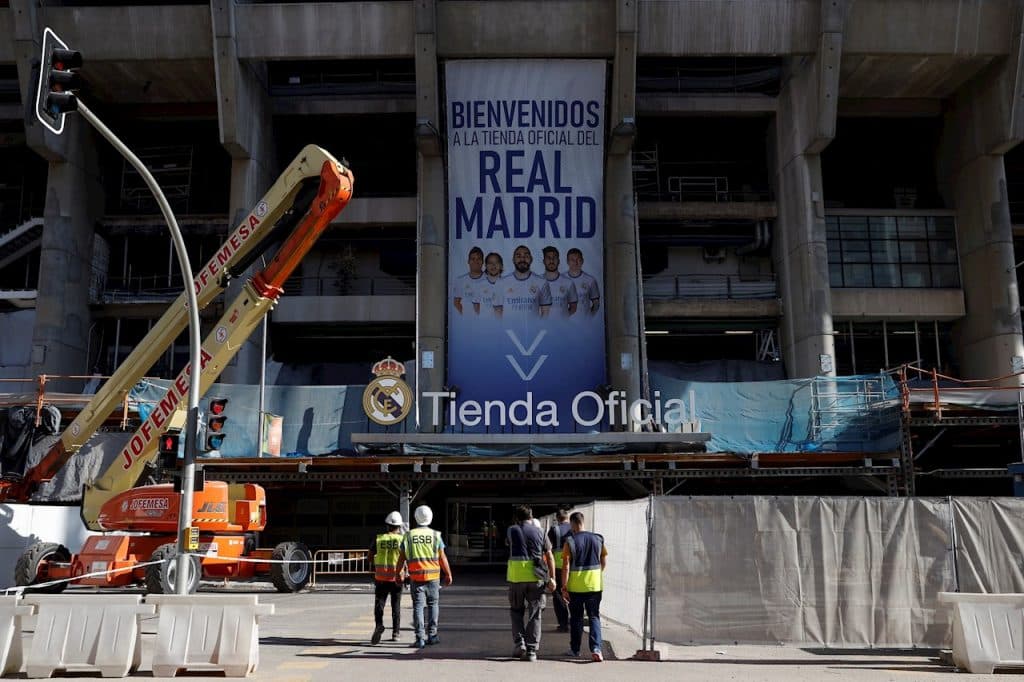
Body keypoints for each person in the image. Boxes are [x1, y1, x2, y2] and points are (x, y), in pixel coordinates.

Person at [398, 504, 453, 649]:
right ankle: (432, 635)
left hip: (416, 578)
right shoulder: (435, 535)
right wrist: (448, 574)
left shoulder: (408, 536)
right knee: (433, 605)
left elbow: (401, 558)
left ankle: (420, 638)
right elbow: (443, 558)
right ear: (430, 518)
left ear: (416, 518)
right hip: (434, 577)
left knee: (418, 607)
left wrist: (399, 573)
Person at [507, 505, 556, 662]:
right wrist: (552, 577)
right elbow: (549, 555)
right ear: (531, 516)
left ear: (517, 518)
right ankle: (531, 651)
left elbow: (508, 544)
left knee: (516, 611)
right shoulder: (541, 532)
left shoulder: (511, 530)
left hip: (516, 578)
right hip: (536, 578)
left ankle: (519, 643)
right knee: (535, 614)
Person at [561, 511, 607, 662]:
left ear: (573, 523)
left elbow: (566, 565)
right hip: (594, 586)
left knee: (576, 618)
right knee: (594, 616)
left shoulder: (570, 541)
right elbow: (603, 561)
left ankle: (575, 650)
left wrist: (564, 586)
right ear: (583, 521)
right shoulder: (598, 539)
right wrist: (596, 575)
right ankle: (596, 649)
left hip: (576, 587)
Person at [368, 511, 405, 644]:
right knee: (396, 606)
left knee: (379, 604)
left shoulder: (378, 539)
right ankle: (396, 633)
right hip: (397, 578)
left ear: (387, 525)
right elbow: (406, 557)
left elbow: (370, 557)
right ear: (399, 526)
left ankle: (379, 625)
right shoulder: (402, 540)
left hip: (381, 578)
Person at [501, 245, 552, 317]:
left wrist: (538, 327)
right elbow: (497, 312)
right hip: (508, 328)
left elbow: (546, 312)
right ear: (513, 260)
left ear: (531, 259)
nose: (522, 259)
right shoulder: (502, 282)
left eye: (526, 256)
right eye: (518, 256)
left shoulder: (542, 282)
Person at [547, 507, 572, 632]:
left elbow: (547, 549)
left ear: (557, 519)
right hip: (572, 566)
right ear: (567, 517)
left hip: (557, 566)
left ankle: (563, 624)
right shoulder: (573, 529)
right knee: (572, 593)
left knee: (558, 596)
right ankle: (574, 621)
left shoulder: (553, 530)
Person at [541, 246, 578, 318]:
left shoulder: (568, 282)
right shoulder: (537, 282)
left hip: (562, 328)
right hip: (541, 327)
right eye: (548, 258)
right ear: (543, 261)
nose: (551, 261)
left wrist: (562, 319)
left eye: (554, 258)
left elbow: (573, 308)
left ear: (559, 261)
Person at [452, 246, 487, 314]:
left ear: (483, 261)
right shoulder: (460, 280)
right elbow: (456, 303)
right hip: (467, 322)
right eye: (473, 259)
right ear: (468, 261)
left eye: (478, 259)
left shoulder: (490, 280)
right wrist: (465, 317)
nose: (475, 261)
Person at [565, 248, 601, 315]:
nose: (575, 263)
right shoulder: (561, 279)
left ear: (582, 261)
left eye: (578, 260)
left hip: (584, 323)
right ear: (567, 262)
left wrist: (588, 318)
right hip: (564, 323)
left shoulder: (590, 280)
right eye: (572, 260)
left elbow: (596, 304)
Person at [480, 251, 505, 318]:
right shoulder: (479, 285)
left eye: (496, 263)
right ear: (485, 266)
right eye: (490, 263)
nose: (493, 265)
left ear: (501, 266)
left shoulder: (508, 284)